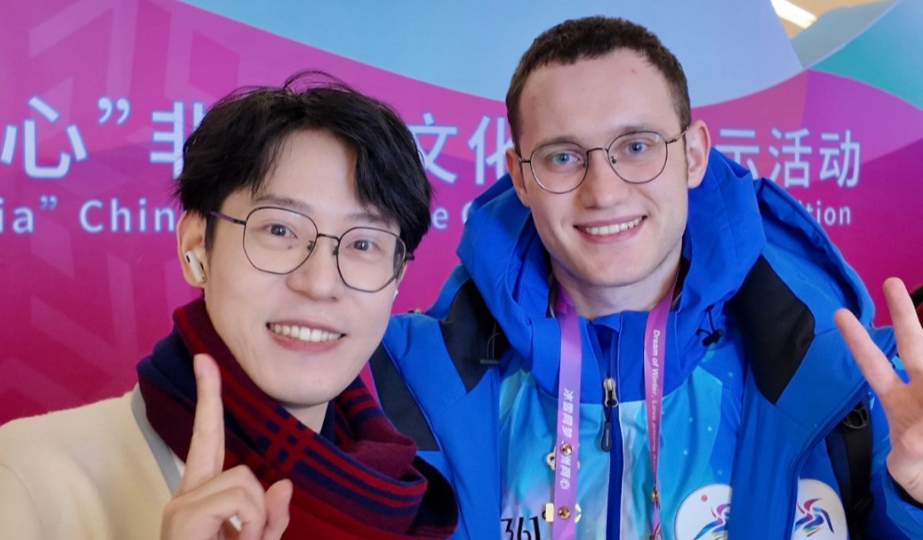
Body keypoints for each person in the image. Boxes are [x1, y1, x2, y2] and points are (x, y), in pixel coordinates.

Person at [372, 16, 923, 539]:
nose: (604, 193)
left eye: (636, 147)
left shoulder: (840, 376)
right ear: (521, 176)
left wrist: (917, 497)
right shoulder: (416, 383)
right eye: (563, 157)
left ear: (694, 154)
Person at [0, 73, 457, 539]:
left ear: (396, 279)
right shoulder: (30, 479)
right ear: (196, 246)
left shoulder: (396, 496)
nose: (320, 282)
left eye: (363, 243)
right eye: (280, 230)